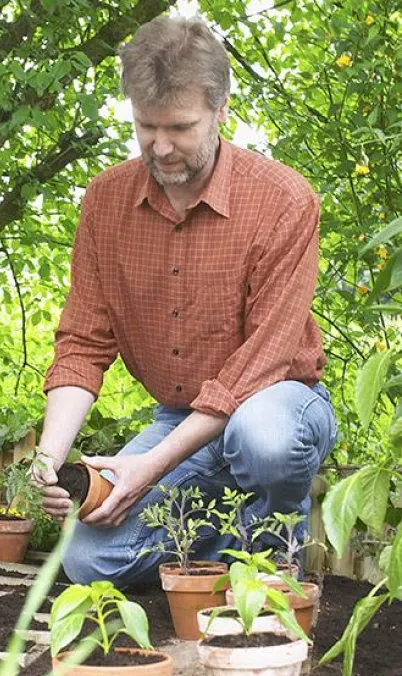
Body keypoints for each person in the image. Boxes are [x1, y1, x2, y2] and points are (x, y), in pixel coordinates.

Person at [32, 15, 337, 587]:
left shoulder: (284, 200)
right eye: (146, 126)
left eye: (179, 127)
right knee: (89, 561)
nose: (161, 146)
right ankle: (231, 544)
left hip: (279, 402)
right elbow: (83, 341)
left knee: (263, 438)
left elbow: (262, 362)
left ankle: (274, 551)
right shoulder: (106, 201)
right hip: (182, 418)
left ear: (221, 111)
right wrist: (49, 458)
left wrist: (150, 467)